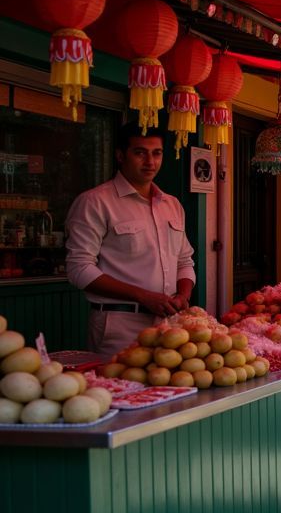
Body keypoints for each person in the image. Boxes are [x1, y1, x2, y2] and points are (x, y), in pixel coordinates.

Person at [66, 123, 196, 356]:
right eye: (140, 152)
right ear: (120, 155)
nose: (150, 161)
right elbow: (79, 269)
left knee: (168, 391)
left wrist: (183, 296)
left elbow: (185, 261)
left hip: (171, 324)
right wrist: (142, 296)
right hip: (119, 325)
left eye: (156, 153)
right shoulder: (95, 202)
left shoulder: (172, 205)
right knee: (120, 390)